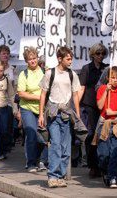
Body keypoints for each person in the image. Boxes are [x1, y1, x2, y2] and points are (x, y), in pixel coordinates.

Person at [38, 46, 81, 188]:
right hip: (53, 113)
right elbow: (43, 94)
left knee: (65, 148)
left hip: (67, 114)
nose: (70, 61)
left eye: (71, 58)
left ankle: (61, 175)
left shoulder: (72, 75)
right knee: (55, 145)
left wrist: (78, 115)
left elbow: (75, 94)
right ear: (60, 59)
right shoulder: (50, 73)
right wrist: (40, 115)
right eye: (68, 59)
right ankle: (52, 176)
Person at [78, 43, 108, 177]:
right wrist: (76, 106)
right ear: (92, 54)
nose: (100, 56)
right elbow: (82, 87)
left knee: (103, 135)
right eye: (98, 53)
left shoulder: (106, 69)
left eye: (102, 53)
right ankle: (93, 165)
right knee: (91, 135)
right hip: (90, 105)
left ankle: (103, 164)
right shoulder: (86, 69)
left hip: (104, 105)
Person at [18, 47, 47, 172]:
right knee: (31, 133)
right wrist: (38, 97)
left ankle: (39, 159)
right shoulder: (23, 74)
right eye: (30, 59)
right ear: (26, 61)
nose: (33, 61)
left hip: (42, 109)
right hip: (27, 108)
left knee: (43, 138)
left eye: (34, 58)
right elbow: (21, 93)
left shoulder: (44, 72)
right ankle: (30, 163)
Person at [95, 67, 117, 188]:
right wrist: (106, 91)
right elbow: (100, 105)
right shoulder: (102, 88)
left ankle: (113, 177)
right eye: (113, 77)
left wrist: (115, 112)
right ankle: (105, 170)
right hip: (104, 123)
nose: (115, 80)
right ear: (108, 78)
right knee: (103, 154)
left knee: (115, 152)